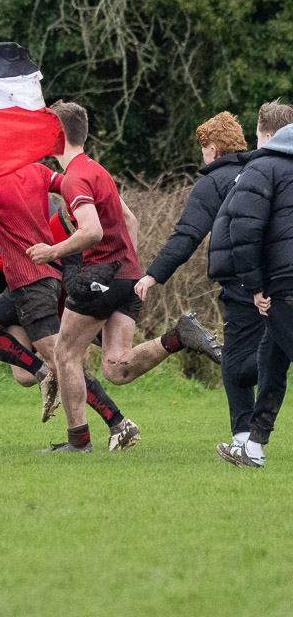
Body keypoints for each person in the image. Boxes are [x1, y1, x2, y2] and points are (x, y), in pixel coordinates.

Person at [28, 102, 221, 452]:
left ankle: (78, 442)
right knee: (116, 367)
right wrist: (121, 267)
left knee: (65, 353)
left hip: (104, 277)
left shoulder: (74, 179)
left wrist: (52, 252)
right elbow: (130, 220)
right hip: (128, 276)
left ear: (57, 134)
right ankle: (179, 337)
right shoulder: (98, 171)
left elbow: (91, 231)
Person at [0, 205, 141, 450]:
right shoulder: (3, 195)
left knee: (60, 359)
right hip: (20, 281)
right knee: (24, 374)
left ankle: (116, 423)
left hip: (34, 281)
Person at [133, 112, 263, 456]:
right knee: (270, 344)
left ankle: (243, 439)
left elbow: (187, 235)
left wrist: (153, 274)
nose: (202, 155)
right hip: (277, 277)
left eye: (204, 147)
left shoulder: (213, 182)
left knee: (236, 359)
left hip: (239, 281)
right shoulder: (263, 171)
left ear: (214, 147)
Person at [212, 118, 293, 468]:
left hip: (283, 283)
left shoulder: (262, 166)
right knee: (272, 362)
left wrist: (255, 286)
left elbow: (243, 228)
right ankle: (253, 447)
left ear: (268, 136)